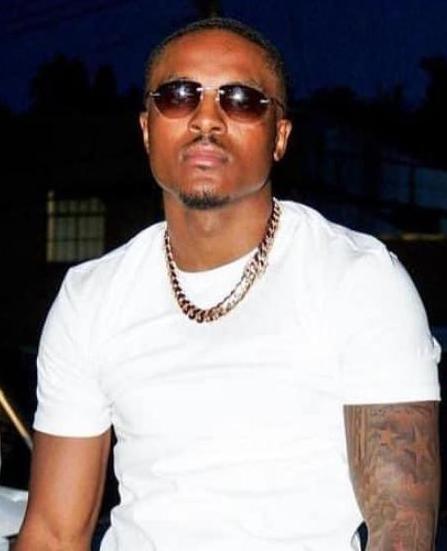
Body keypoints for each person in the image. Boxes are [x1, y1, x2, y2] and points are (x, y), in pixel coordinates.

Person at [16, 17, 441, 551]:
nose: (206, 119)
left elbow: (401, 533)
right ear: (146, 128)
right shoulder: (92, 297)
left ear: (279, 137)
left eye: (241, 101)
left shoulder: (359, 280)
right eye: (178, 96)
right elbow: (53, 533)